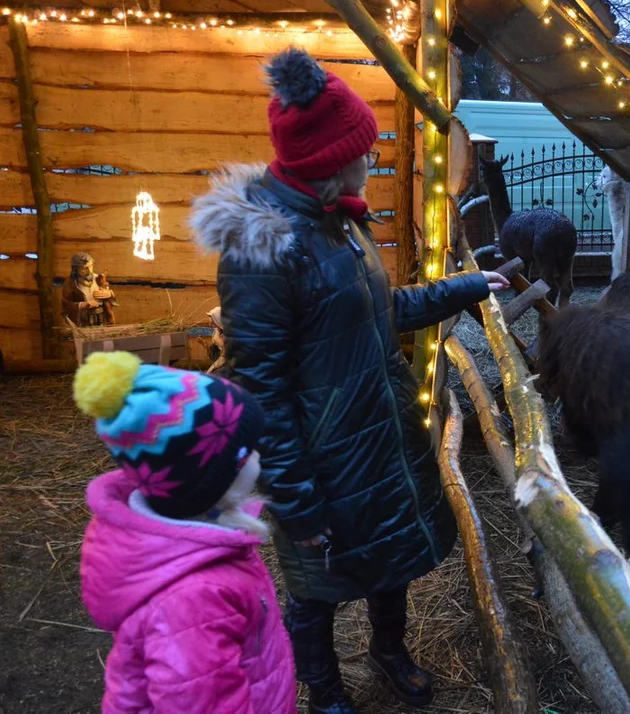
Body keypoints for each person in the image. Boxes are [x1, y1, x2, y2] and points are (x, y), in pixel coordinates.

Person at [189, 46, 510, 713]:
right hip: (321, 455)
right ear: (332, 160)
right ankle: (325, 692)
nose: (374, 156)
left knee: (387, 558)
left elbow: (374, 313)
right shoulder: (263, 248)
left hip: (375, 434)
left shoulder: (340, 222)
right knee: (317, 586)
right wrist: (296, 499)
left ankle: (388, 652)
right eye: (366, 147)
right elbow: (263, 390)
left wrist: (464, 288)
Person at [74, 350, 296, 713]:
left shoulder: (199, 544)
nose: (257, 458)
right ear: (205, 484)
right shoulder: (193, 603)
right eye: (244, 454)